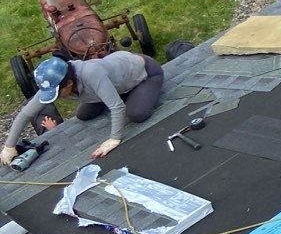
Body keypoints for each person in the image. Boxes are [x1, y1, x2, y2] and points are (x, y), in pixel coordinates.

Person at [2, 52, 164, 166]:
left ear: (70, 84)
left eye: (58, 94)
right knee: (83, 114)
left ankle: (132, 93)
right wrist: (9, 147)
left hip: (144, 73)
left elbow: (116, 107)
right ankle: (118, 93)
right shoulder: (57, 79)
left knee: (136, 113)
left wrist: (114, 139)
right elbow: (26, 113)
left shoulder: (91, 73)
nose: (57, 97)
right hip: (115, 79)